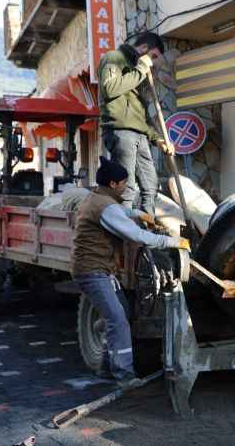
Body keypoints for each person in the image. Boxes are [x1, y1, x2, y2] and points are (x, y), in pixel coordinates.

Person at [71, 157, 189, 386]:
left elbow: (120, 213)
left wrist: (138, 214)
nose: (126, 186)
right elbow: (136, 236)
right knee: (118, 320)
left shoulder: (97, 198)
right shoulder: (105, 206)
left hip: (99, 270)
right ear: (114, 184)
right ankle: (124, 375)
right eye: (124, 182)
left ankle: (106, 367)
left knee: (119, 315)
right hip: (93, 271)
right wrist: (171, 241)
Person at [98, 31, 175, 217]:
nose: (155, 62)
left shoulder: (137, 70)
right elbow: (109, 88)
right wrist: (141, 69)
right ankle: (125, 235)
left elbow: (141, 115)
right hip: (120, 131)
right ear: (144, 49)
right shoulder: (114, 58)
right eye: (154, 56)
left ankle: (145, 232)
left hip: (139, 135)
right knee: (127, 187)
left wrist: (157, 139)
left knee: (150, 186)